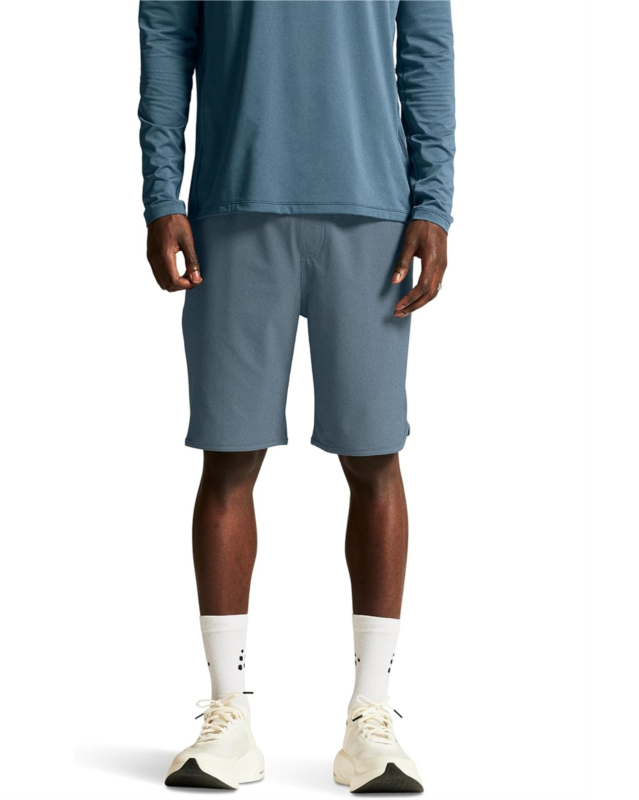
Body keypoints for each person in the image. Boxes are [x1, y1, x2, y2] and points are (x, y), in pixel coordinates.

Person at [138, 0, 454, 792]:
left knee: (374, 456)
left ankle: (371, 718)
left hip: (372, 211)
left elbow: (425, 49)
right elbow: (167, 36)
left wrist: (433, 202)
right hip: (233, 205)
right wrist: (162, 195)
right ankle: (227, 713)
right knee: (228, 455)